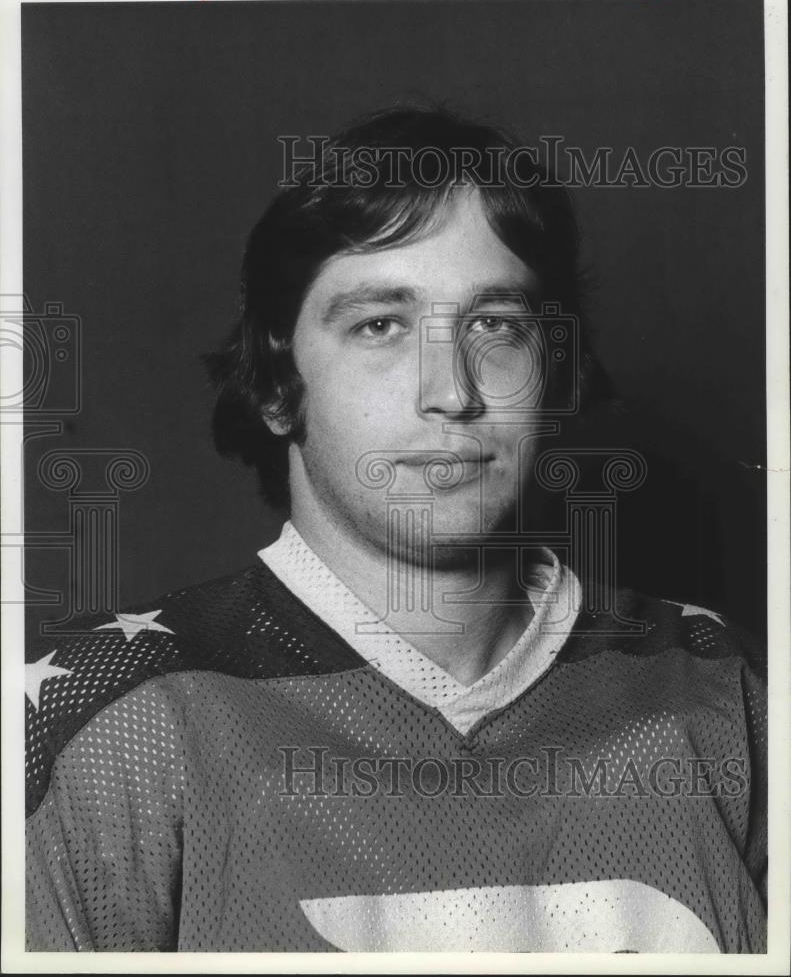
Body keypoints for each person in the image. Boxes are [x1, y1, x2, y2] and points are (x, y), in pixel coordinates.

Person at [25, 105, 766, 952]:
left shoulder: (723, 688)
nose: (450, 391)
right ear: (276, 385)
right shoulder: (107, 718)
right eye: (380, 325)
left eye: (495, 325)